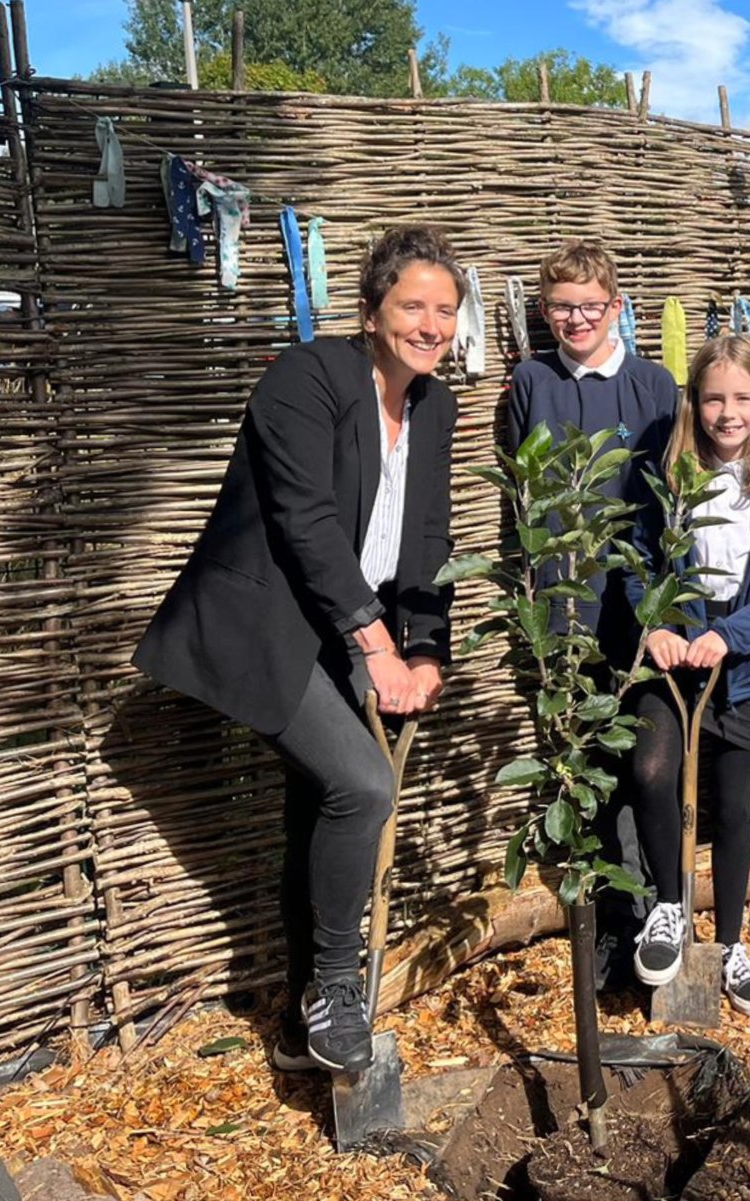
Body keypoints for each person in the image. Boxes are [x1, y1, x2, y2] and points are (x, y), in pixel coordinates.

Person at [132, 225, 464, 1073]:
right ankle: (331, 988)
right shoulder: (306, 378)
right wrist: (377, 646)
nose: (432, 325)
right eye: (413, 306)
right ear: (371, 308)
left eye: (446, 310)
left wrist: (426, 647)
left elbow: (427, 534)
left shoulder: (434, 403)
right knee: (361, 784)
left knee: (319, 805)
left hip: (342, 631)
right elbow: (307, 524)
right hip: (268, 626)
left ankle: (296, 1027)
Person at [501, 239, 679, 988]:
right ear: (545, 312)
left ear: (616, 306)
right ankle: (614, 924)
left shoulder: (654, 385)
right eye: (562, 307)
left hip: (635, 611)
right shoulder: (529, 382)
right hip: (565, 611)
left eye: (591, 305)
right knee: (589, 772)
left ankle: (662, 911)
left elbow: (674, 498)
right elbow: (516, 498)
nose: (577, 318)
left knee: (648, 764)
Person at [627, 336, 750, 1017]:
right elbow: (638, 557)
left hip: (744, 666)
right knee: (652, 770)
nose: (728, 412)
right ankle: (669, 908)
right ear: (694, 402)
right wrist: (657, 625)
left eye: (742, 397)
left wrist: (729, 636)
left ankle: (732, 944)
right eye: (714, 398)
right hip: (673, 659)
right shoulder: (669, 469)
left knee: (734, 806)